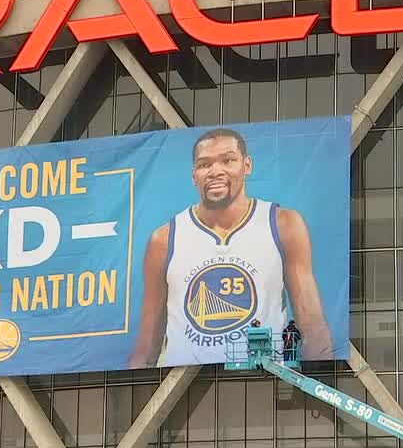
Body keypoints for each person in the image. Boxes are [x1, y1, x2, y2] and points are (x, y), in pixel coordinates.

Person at [127, 127, 332, 368]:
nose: (216, 171)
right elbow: (146, 347)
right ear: (194, 175)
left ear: (247, 165)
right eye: (204, 165)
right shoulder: (163, 240)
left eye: (227, 160)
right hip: (183, 392)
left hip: (264, 382)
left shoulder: (283, 224)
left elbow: (313, 330)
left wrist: (319, 393)